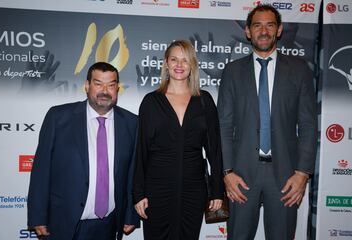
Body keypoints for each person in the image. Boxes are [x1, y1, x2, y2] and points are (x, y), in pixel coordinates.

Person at [217, 4, 317, 240]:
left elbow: (308, 125)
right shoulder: (232, 71)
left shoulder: (300, 70)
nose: (264, 31)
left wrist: (302, 173)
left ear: (279, 30)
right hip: (241, 175)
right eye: (257, 25)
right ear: (248, 32)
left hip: (286, 176)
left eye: (270, 25)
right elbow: (223, 125)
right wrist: (227, 171)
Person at [27, 62, 139, 240]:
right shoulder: (58, 117)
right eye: (98, 83)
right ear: (87, 86)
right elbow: (41, 171)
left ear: (117, 88)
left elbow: (133, 173)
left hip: (107, 226)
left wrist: (130, 214)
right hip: (62, 222)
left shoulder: (132, 123)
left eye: (111, 85)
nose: (105, 90)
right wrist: (37, 216)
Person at [133, 40, 224, 240]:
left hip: (194, 189)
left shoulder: (204, 100)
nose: (179, 65)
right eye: (174, 59)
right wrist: (138, 193)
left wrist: (217, 191)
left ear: (192, 65)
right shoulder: (151, 102)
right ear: (166, 63)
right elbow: (140, 151)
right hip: (157, 189)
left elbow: (214, 150)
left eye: (185, 60)